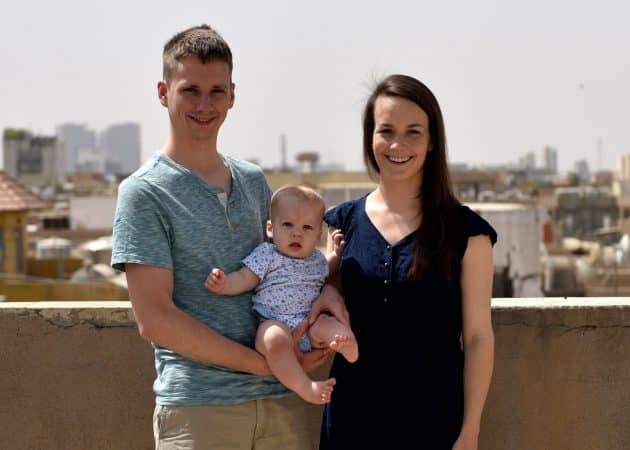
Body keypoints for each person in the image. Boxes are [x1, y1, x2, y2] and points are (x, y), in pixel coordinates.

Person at [111, 25, 344, 450]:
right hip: (200, 410)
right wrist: (264, 364)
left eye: (217, 91)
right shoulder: (143, 193)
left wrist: (312, 331)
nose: (204, 104)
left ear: (233, 96)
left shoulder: (255, 182)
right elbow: (154, 320)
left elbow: (284, 273)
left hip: (281, 402)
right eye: (190, 90)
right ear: (163, 92)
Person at [315, 74, 497, 450]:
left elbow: (478, 337)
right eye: (386, 130)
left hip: (434, 426)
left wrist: (470, 431)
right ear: (371, 138)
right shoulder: (339, 224)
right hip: (352, 424)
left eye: (414, 131)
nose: (398, 144)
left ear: (432, 142)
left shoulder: (467, 234)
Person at [205, 185, 358, 405]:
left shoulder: (315, 260)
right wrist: (225, 283)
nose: (297, 232)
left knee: (328, 323)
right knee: (274, 339)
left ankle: (345, 342)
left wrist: (335, 254)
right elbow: (245, 278)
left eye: (307, 227)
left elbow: (328, 270)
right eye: (287, 224)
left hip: (310, 323)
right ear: (270, 228)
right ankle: (306, 387)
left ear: (317, 236)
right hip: (273, 322)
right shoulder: (267, 255)